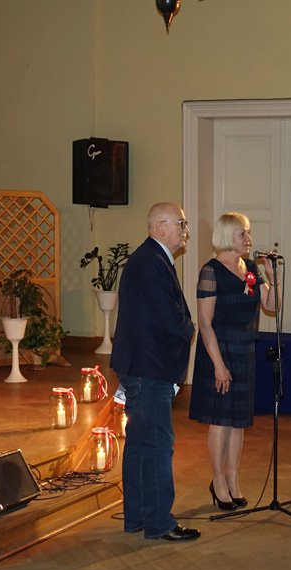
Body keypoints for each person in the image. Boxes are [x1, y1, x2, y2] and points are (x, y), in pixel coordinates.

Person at [109, 202, 200, 542]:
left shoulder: (151, 258)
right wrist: (188, 328)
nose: (185, 230)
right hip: (150, 368)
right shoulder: (151, 262)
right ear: (161, 226)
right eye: (181, 223)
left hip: (144, 366)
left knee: (139, 443)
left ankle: (137, 517)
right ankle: (159, 522)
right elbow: (170, 317)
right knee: (158, 445)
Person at [189, 212, 275, 510]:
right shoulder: (211, 271)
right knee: (220, 422)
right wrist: (219, 365)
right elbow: (205, 323)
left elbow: (271, 306)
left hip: (244, 350)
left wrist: (273, 279)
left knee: (238, 422)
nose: (249, 238)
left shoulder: (250, 269)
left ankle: (234, 479)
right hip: (219, 350)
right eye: (242, 233)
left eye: (248, 232)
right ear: (227, 236)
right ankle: (218, 481)